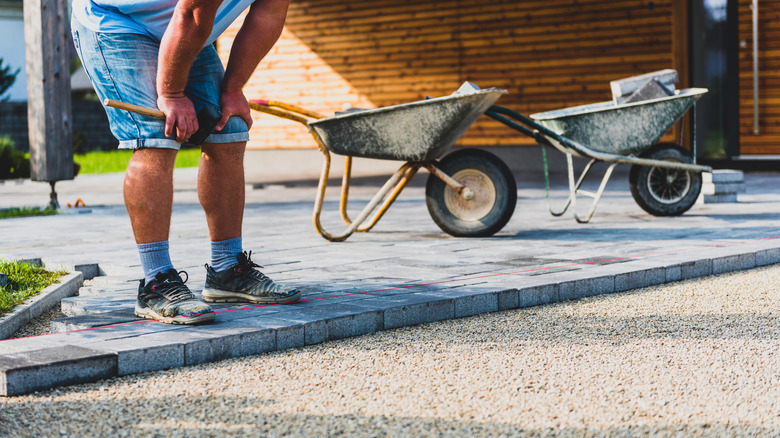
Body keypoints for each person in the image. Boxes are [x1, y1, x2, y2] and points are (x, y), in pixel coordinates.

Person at [70, 0, 301, 325]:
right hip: (118, 21)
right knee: (155, 135)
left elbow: (269, 13)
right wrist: (172, 94)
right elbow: (193, 13)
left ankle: (227, 269)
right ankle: (156, 282)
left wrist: (234, 88)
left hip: (187, 27)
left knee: (229, 127)